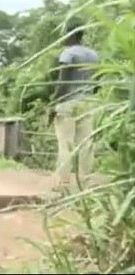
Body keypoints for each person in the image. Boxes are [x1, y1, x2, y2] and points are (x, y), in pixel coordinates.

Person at [48, 23, 99, 188]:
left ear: (71, 35)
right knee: (86, 144)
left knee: (65, 143)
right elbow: (97, 82)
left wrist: (53, 104)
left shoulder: (68, 54)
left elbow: (62, 83)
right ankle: (86, 182)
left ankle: (63, 183)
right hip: (88, 102)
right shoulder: (93, 55)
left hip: (68, 103)